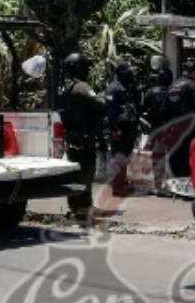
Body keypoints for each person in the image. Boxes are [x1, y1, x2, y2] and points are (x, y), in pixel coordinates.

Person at [57, 52, 105, 222]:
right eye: (84, 66)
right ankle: (84, 208)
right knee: (86, 171)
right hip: (84, 138)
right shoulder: (82, 87)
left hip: (71, 137)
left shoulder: (64, 87)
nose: (86, 70)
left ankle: (74, 206)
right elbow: (100, 104)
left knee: (74, 173)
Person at [163, 58, 195, 178]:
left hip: (173, 131)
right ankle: (187, 188)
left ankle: (177, 187)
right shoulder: (194, 87)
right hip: (189, 131)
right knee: (189, 160)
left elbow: (164, 110)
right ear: (194, 72)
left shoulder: (172, 86)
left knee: (176, 159)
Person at [105, 61, 140, 196]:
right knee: (118, 157)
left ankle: (122, 182)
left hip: (128, 129)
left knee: (125, 157)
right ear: (122, 74)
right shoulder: (113, 88)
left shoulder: (127, 87)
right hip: (119, 130)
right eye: (129, 73)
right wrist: (115, 129)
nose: (132, 75)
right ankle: (117, 186)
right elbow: (111, 112)